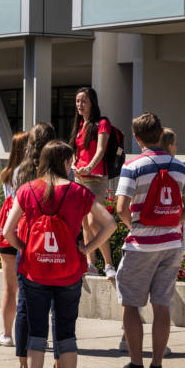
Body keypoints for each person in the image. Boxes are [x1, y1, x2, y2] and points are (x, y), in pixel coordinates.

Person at [2, 140, 116, 368]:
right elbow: (109, 224)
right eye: (71, 161)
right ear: (65, 163)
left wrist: (25, 248)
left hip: (35, 272)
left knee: (36, 333)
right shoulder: (79, 192)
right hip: (69, 272)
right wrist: (87, 248)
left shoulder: (27, 190)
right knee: (66, 332)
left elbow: (8, 231)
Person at [110, 113, 185, 368]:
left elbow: (121, 207)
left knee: (131, 305)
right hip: (172, 245)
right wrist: (169, 221)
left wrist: (135, 226)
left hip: (141, 246)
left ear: (136, 138)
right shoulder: (180, 167)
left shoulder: (133, 166)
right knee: (162, 305)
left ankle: (136, 366)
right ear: (161, 133)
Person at [12, 123, 58, 368]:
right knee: (58, 307)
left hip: (28, 244)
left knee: (25, 307)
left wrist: (20, 245)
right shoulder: (62, 173)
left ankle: (23, 365)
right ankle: (58, 367)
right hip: (57, 246)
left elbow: (13, 214)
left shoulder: (20, 172)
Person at [68, 87, 115, 278]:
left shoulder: (102, 123)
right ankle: (91, 264)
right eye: (78, 101)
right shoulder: (80, 124)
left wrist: (89, 167)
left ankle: (109, 265)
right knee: (85, 222)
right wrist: (73, 163)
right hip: (79, 178)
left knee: (96, 221)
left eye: (83, 101)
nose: (80, 105)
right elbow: (74, 150)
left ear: (92, 102)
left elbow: (101, 150)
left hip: (95, 179)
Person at [0, 131, 29, 348]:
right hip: (26, 231)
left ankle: (7, 334)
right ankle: (29, 332)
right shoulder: (32, 173)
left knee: (9, 288)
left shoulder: (8, 173)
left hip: (8, 232)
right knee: (29, 288)